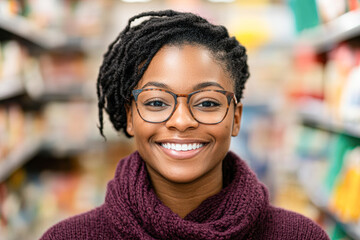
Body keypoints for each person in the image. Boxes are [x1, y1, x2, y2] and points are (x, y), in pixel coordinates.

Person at [41, 10, 329, 239]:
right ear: (130, 117)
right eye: (156, 102)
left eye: (207, 103)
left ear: (235, 118)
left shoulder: (300, 235)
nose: (181, 121)